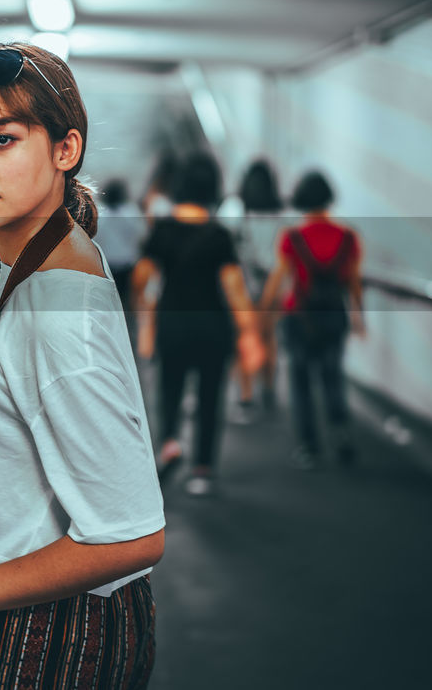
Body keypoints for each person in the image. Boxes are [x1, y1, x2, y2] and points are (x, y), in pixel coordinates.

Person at [0, 42, 165, 689]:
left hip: (35, 624)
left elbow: (131, 535)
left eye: (1, 140)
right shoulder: (35, 264)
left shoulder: (54, 301)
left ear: (65, 149)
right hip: (21, 598)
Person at [132, 152, 263, 496]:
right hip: (213, 329)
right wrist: (250, 335)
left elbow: (142, 277)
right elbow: (235, 290)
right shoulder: (219, 236)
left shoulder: (162, 230)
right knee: (209, 397)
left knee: (169, 389)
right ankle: (202, 470)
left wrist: (146, 318)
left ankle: (171, 442)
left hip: (172, 326)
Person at [260, 170, 365, 470]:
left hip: (299, 318)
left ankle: (309, 447)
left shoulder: (292, 237)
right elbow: (354, 281)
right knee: (333, 376)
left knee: (301, 381)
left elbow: (279, 278)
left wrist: (265, 310)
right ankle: (341, 431)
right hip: (334, 316)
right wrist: (358, 318)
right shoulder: (348, 236)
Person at [233, 157, 288, 418]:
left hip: (245, 286)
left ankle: (246, 395)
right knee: (270, 339)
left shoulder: (240, 211)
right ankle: (268, 390)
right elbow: (283, 256)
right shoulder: (280, 215)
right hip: (272, 287)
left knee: (245, 338)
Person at [93, 178, 145, 337]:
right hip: (128, 266)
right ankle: (128, 336)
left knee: (107, 308)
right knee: (128, 307)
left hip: (106, 266)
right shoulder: (131, 212)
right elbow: (142, 235)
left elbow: (95, 239)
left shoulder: (100, 213)